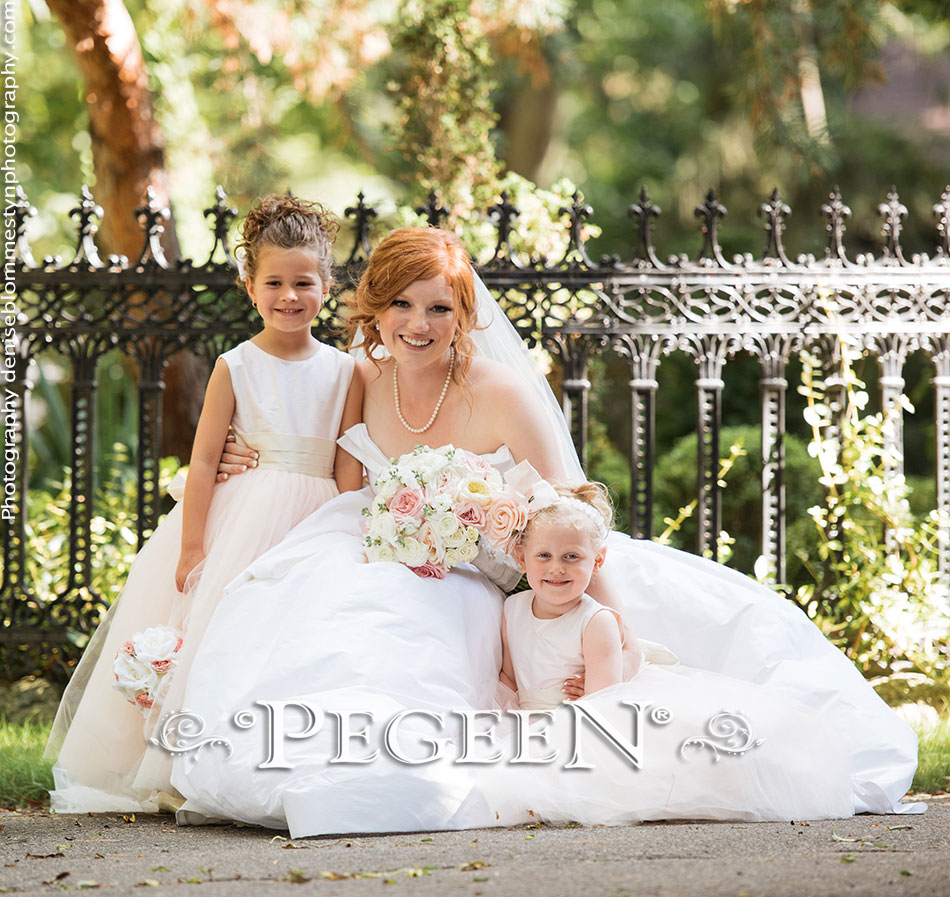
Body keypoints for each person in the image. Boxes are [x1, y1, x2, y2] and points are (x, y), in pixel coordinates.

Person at [168, 226, 920, 837]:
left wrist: (609, 618)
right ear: (373, 311)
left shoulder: (499, 391)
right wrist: (241, 459)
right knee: (334, 612)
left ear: (465, 317)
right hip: (391, 556)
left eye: (438, 309)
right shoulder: (360, 377)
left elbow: (571, 508)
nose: (418, 325)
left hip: (512, 570)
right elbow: (329, 468)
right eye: (400, 306)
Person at [44, 194, 363, 813]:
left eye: (304, 282)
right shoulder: (235, 365)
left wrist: (347, 533)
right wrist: (193, 545)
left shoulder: (344, 371)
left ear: (327, 286)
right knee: (221, 632)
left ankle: (277, 761)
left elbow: (347, 464)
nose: (289, 296)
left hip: (316, 516)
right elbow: (204, 460)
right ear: (249, 286)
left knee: (291, 634)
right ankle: (182, 767)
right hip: (243, 514)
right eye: (274, 282)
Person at [498, 480, 853, 823]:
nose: (556, 567)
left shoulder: (597, 622)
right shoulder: (512, 611)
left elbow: (601, 707)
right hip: (536, 720)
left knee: (690, 770)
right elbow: (510, 679)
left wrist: (549, 728)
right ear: (521, 556)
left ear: (598, 561)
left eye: (571, 557)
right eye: (543, 555)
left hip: (590, 723)